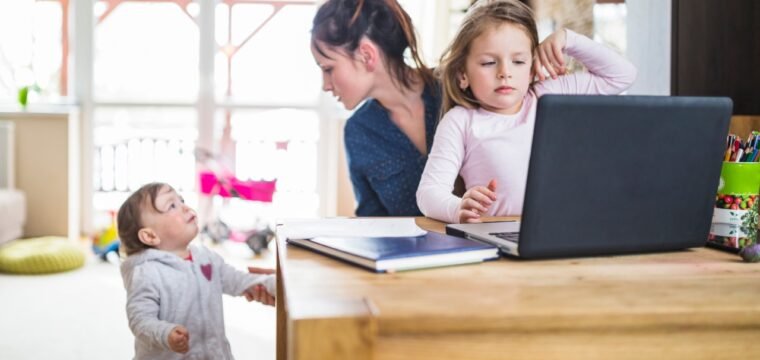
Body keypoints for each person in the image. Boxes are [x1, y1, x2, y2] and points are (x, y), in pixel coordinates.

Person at [416, 0, 637, 224]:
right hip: (495, 237)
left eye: (519, 61)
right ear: (462, 74)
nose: (505, 72)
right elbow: (428, 193)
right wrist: (457, 208)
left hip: (563, 228)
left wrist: (568, 39)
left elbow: (622, 76)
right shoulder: (460, 122)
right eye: (489, 62)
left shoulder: (549, 95)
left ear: (532, 68)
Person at [311, 0, 442, 216]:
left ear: (367, 55)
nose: (325, 85)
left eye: (328, 68)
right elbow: (372, 224)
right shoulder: (358, 131)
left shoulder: (456, 90)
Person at [117, 182, 275, 359]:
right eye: (172, 205)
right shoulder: (147, 273)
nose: (185, 207)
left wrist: (272, 284)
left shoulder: (205, 258)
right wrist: (165, 333)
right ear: (150, 236)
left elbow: (238, 280)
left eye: (181, 200)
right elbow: (140, 320)